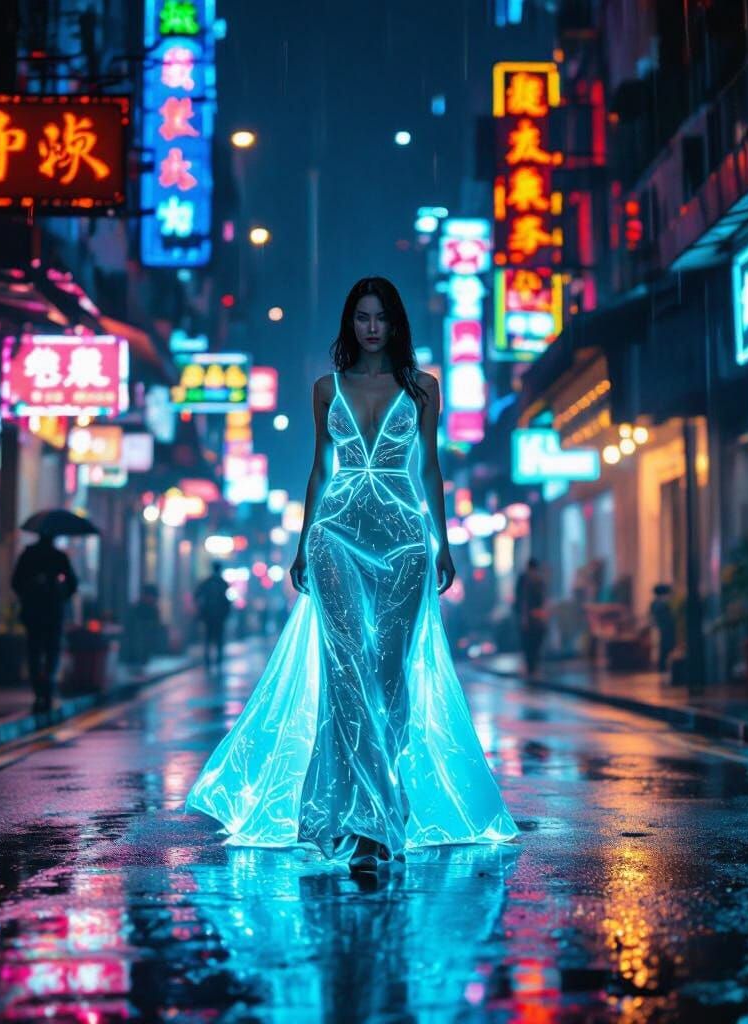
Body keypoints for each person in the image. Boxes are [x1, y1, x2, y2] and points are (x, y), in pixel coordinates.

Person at [185, 276, 517, 874]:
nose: (371, 327)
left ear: (394, 325)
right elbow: (317, 470)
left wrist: (442, 546)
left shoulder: (424, 389)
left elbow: (432, 469)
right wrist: (302, 545)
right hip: (334, 536)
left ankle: (381, 811)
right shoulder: (323, 389)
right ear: (350, 323)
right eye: (362, 316)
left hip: (405, 542)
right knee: (345, 675)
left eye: (380, 317)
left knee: (388, 676)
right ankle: (352, 820)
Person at [11, 532, 78, 713]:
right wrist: (59, 592)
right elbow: (73, 584)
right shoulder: (59, 557)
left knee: (34, 651)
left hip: (32, 612)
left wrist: (29, 593)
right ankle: (47, 684)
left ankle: (39, 690)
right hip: (53, 611)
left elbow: (15, 582)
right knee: (51, 650)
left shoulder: (28, 555)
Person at [194, 562, 232, 669]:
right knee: (218, 637)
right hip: (219, 616)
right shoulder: (222, 583)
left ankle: (208, 659)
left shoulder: (207, 582)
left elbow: (197, 594)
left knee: (208, 637)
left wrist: (201, 608)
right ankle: (218, 659)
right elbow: (227, 600)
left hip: (209, 615)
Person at [514, 558, 547, 679]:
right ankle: (531, 668)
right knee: (530, 644)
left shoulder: (533, 580)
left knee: (532, 644)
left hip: (533, 618)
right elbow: (523, 601)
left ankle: (532, 668)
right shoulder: (530, 580)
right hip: (530, 618)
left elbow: (522, 601)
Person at [649, 583, 677, 672]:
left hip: (663, 627)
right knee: (666, 647)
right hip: (666, 628)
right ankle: (663, 667)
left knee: (664, 647)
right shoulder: (662, 603)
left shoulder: (655, 603)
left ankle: (663, 667)